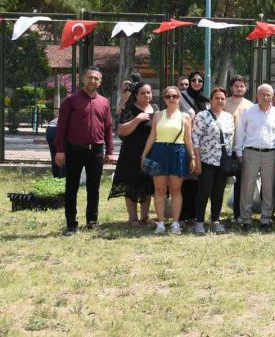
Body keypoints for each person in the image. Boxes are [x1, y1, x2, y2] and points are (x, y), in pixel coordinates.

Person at [54, 66, 115, 235]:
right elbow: (61, 127)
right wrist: (60, 150)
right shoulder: (71, 100)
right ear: (83, 79)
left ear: (100, 82)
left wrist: (110, 150)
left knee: (93, 188)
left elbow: (109, 128)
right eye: (90, 77)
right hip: (74, 150)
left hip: (96, 150)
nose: (92, 80)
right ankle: (71, 225)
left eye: (96, 78)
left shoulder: (104, 102)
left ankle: (92, 222)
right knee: (71, 187)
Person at [142, 86, 196, 234]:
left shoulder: (185, 117)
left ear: (179, 98)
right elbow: (152, 135)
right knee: (159, 189)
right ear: (164, 98)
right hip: (159, 151)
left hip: (178, 152)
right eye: (168, 96)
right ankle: (160, 222)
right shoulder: (158, 115)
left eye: (175, 96)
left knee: (176, 190)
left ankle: (175, 223)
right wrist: (144, 154)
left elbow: (188, 139)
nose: (171, 99)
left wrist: (193, 157)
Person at [235, 84, 275, 229]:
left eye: (268, 94)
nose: (266, 97)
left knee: (269, 187)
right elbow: (241, 131)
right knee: (247, 186)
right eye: (262, 94)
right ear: (257, 95)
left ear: (272, 96)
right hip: (251, 152)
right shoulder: (248, 111)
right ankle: (246, 219)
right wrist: (239, 152)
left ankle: (266, 219)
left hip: (270, 153)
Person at [109, 82, 155, 226]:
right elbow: (121, 130)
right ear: (136, 95)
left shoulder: (156, 109)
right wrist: (138, 119)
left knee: (147, 185)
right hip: (131, 153)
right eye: (143, 93)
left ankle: (145, 216)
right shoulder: (130, 109)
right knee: (131, 184)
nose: (147, 95)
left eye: (149, 92)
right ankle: (133, 218)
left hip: (150, 152)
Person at [191, 87, 235, 234]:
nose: (220, 101)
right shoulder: (202, 116)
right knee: (204, 192)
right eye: (217, 98)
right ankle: (199, 222)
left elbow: (231, 138)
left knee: (218, 192)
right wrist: (196, 160)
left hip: (223, 161)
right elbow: (195, 138)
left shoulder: (229, 117)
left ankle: (215, 220)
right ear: (211, 100)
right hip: (206, 160)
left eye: (222, 98)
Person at [178, 71, 209, 227]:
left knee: (198, 182)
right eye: (194, 80)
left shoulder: (204, 99)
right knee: (187, 181)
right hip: (186, 143)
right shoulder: (181, 97)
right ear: (189, 81)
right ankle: (183, 216)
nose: (197, 82)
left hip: (202, 145)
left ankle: (196, 216)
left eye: (200, 80)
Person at [225, 75, 253, 223]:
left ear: (246, 88)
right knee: (220, 182)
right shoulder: (224, 103)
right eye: (236, 86)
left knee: (241, 183)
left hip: (243, 149)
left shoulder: (250, 105)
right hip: (226, 149)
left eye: (242, 86)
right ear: (231, 88)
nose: (239, 88)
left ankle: (238, 214)